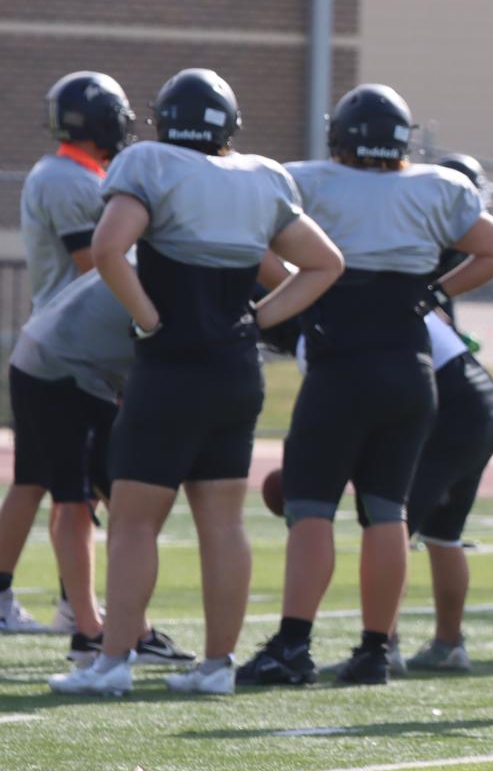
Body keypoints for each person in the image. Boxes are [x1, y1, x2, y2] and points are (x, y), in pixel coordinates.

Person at [50, 69, 344, 697]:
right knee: (223, 523)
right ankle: (216, 666)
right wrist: (260, 318)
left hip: (170, 367)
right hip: (236, 370)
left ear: (165, 120)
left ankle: (115, 662)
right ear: (229, 125)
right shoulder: (262, 177)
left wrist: (149, 318)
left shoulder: (150, 164)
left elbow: (107, 249)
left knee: (133, 521)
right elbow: (324, 264)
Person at [238, 85, 493, 689]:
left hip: (341, 364)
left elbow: (254, 241)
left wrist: (293, 290)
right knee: (386, 510)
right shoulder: (434, 188)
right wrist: (437, 290)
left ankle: (293, 645)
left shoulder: (307, 181)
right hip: (410, 367)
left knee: (311, 507)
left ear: (338, 135)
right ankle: (373, 650)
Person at [1, 72, 135, 635]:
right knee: (89, 486)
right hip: (72, 356)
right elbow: (97, 268)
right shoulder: (69, 179)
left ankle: (37, 599)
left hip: (53, 350)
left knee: (37, 480)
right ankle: (80, 612)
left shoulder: (65, 172)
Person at [8, 272, 190, 668]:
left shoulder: (182, 251)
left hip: (73, 365)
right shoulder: (182, 259)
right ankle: (91, 633)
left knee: (119, 502)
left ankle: (130, 631)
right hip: (60, 369)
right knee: (77, 499)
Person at [401, 154, 493, 673]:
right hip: (476, 399)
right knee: (442, 532)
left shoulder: (421, 256)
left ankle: (380, 644)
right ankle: (449, 643)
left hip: (449, 402)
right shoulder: (441, 254)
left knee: (392, 524)